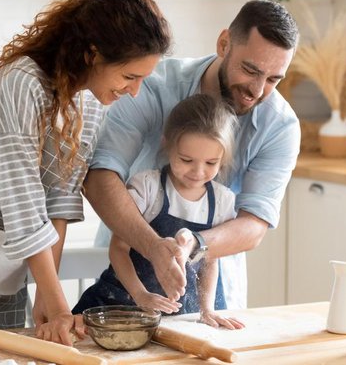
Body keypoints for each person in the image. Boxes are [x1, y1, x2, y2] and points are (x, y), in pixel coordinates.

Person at [0, 0, 172, 346]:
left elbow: (60, 200)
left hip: (13, 257)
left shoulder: (90, 104)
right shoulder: (21, 83)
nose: (135, 91)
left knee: (6, 356)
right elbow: (23, 200)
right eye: (129, 76)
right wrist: (58, 303)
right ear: (93, 53)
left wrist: (48, 298)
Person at [84, 0, 300, 309]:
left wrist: (195, 244)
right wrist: (154, 248)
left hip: (211, 293)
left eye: (273, 79)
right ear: (224, 44)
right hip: (123, 278)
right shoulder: (153, 85)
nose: (257, 89)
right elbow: (100, 176)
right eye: (250, 70)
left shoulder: (280, 126)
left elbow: (254, 226)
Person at [73, 94, 244, 329]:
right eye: (186, 159)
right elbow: (118, 249)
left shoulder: (223, 201)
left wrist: (207, 310)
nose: (198, 171)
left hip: (173, 318)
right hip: (118, 308)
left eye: (211, 163)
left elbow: (210, 261)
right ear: (167, 144)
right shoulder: (147, 187)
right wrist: (140, 295)